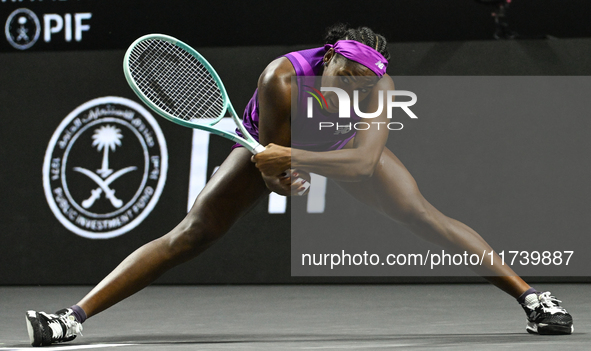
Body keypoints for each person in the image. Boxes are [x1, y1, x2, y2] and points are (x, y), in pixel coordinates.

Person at [25, 24, 573, 347]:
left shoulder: (376, 84)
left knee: (424, 216)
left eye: (367, 88)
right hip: (267, 143)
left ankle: (533, 301)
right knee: (190, 234)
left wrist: (293, 158)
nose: (357, 94)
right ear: (329, 60)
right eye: (347, 82)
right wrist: (282, 173)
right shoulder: (280, 79)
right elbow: (271, 164)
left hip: (329, 149)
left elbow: (360, 164)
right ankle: (70, 321)